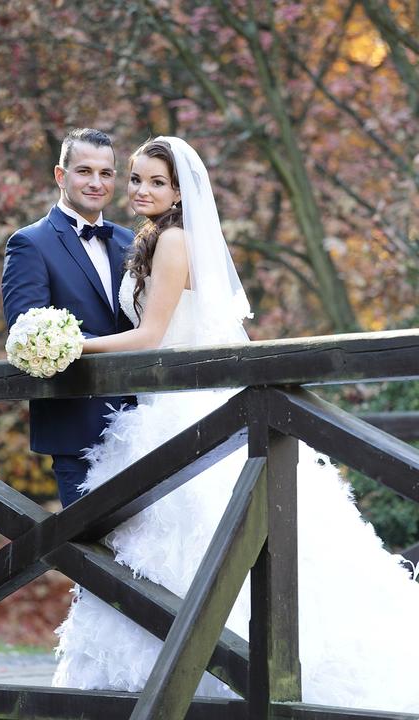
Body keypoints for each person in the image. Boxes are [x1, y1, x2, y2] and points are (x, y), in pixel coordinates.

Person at [52, 137, 419, 712]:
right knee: (163, 550)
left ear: (180, 193)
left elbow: (150, 337)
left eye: (157, 182)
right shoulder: (153, 238)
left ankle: (212, 679)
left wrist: (71, 344)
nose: (142, 190)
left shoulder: (174, 240)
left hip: (186, 415)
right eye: (137, 179)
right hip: (167, 412)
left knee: (201, 544)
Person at [1, 128, 135, 508]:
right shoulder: (30, 243)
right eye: (84, 171)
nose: (96, 183)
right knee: (89, 542)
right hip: (76, 429)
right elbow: (28, 333)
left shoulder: (130, 241)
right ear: (61, 175)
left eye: (106, 173)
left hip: (142, 426)